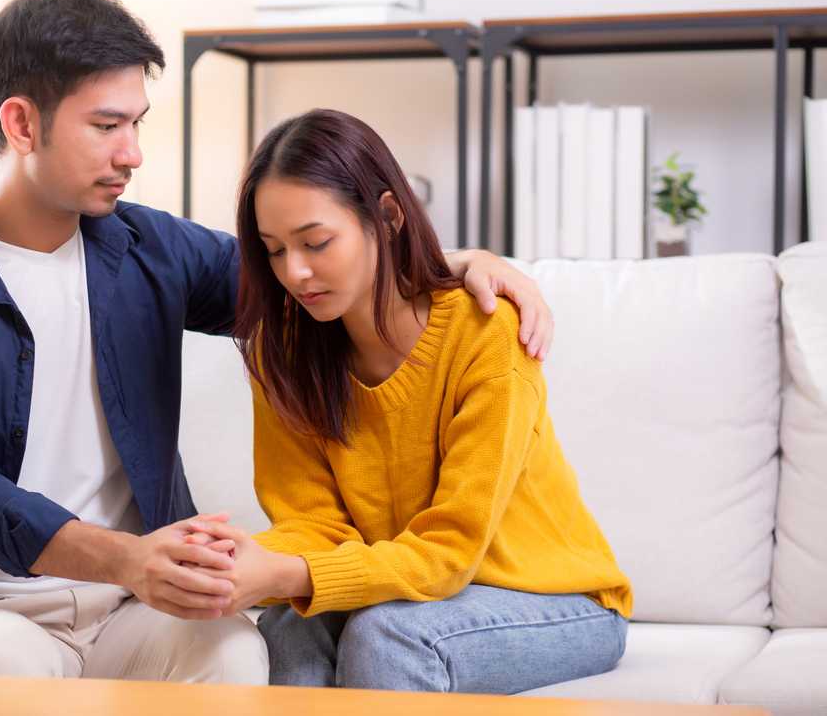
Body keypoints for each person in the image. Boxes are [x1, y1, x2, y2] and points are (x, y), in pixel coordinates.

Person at [0, 0, 554, 691]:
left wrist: (449, 263)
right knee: (1, 671)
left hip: (138, 603)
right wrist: (128, 556)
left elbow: (308, 277)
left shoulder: (149, 247)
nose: (133, 153)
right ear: (21, 123)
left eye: (138, 123)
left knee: (233, 651)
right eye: (106, 126)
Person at [185, 108, 632, 694]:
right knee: (290, 627)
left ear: (388, 216)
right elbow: (312, 525)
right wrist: (233, 560)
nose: (295, 272)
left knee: (388, 634)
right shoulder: (283, 349)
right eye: (273, 250)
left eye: (317, 243)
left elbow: (449, 553)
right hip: (414, 591)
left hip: (557, 598)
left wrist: (287, 570)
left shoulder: (487, 336)